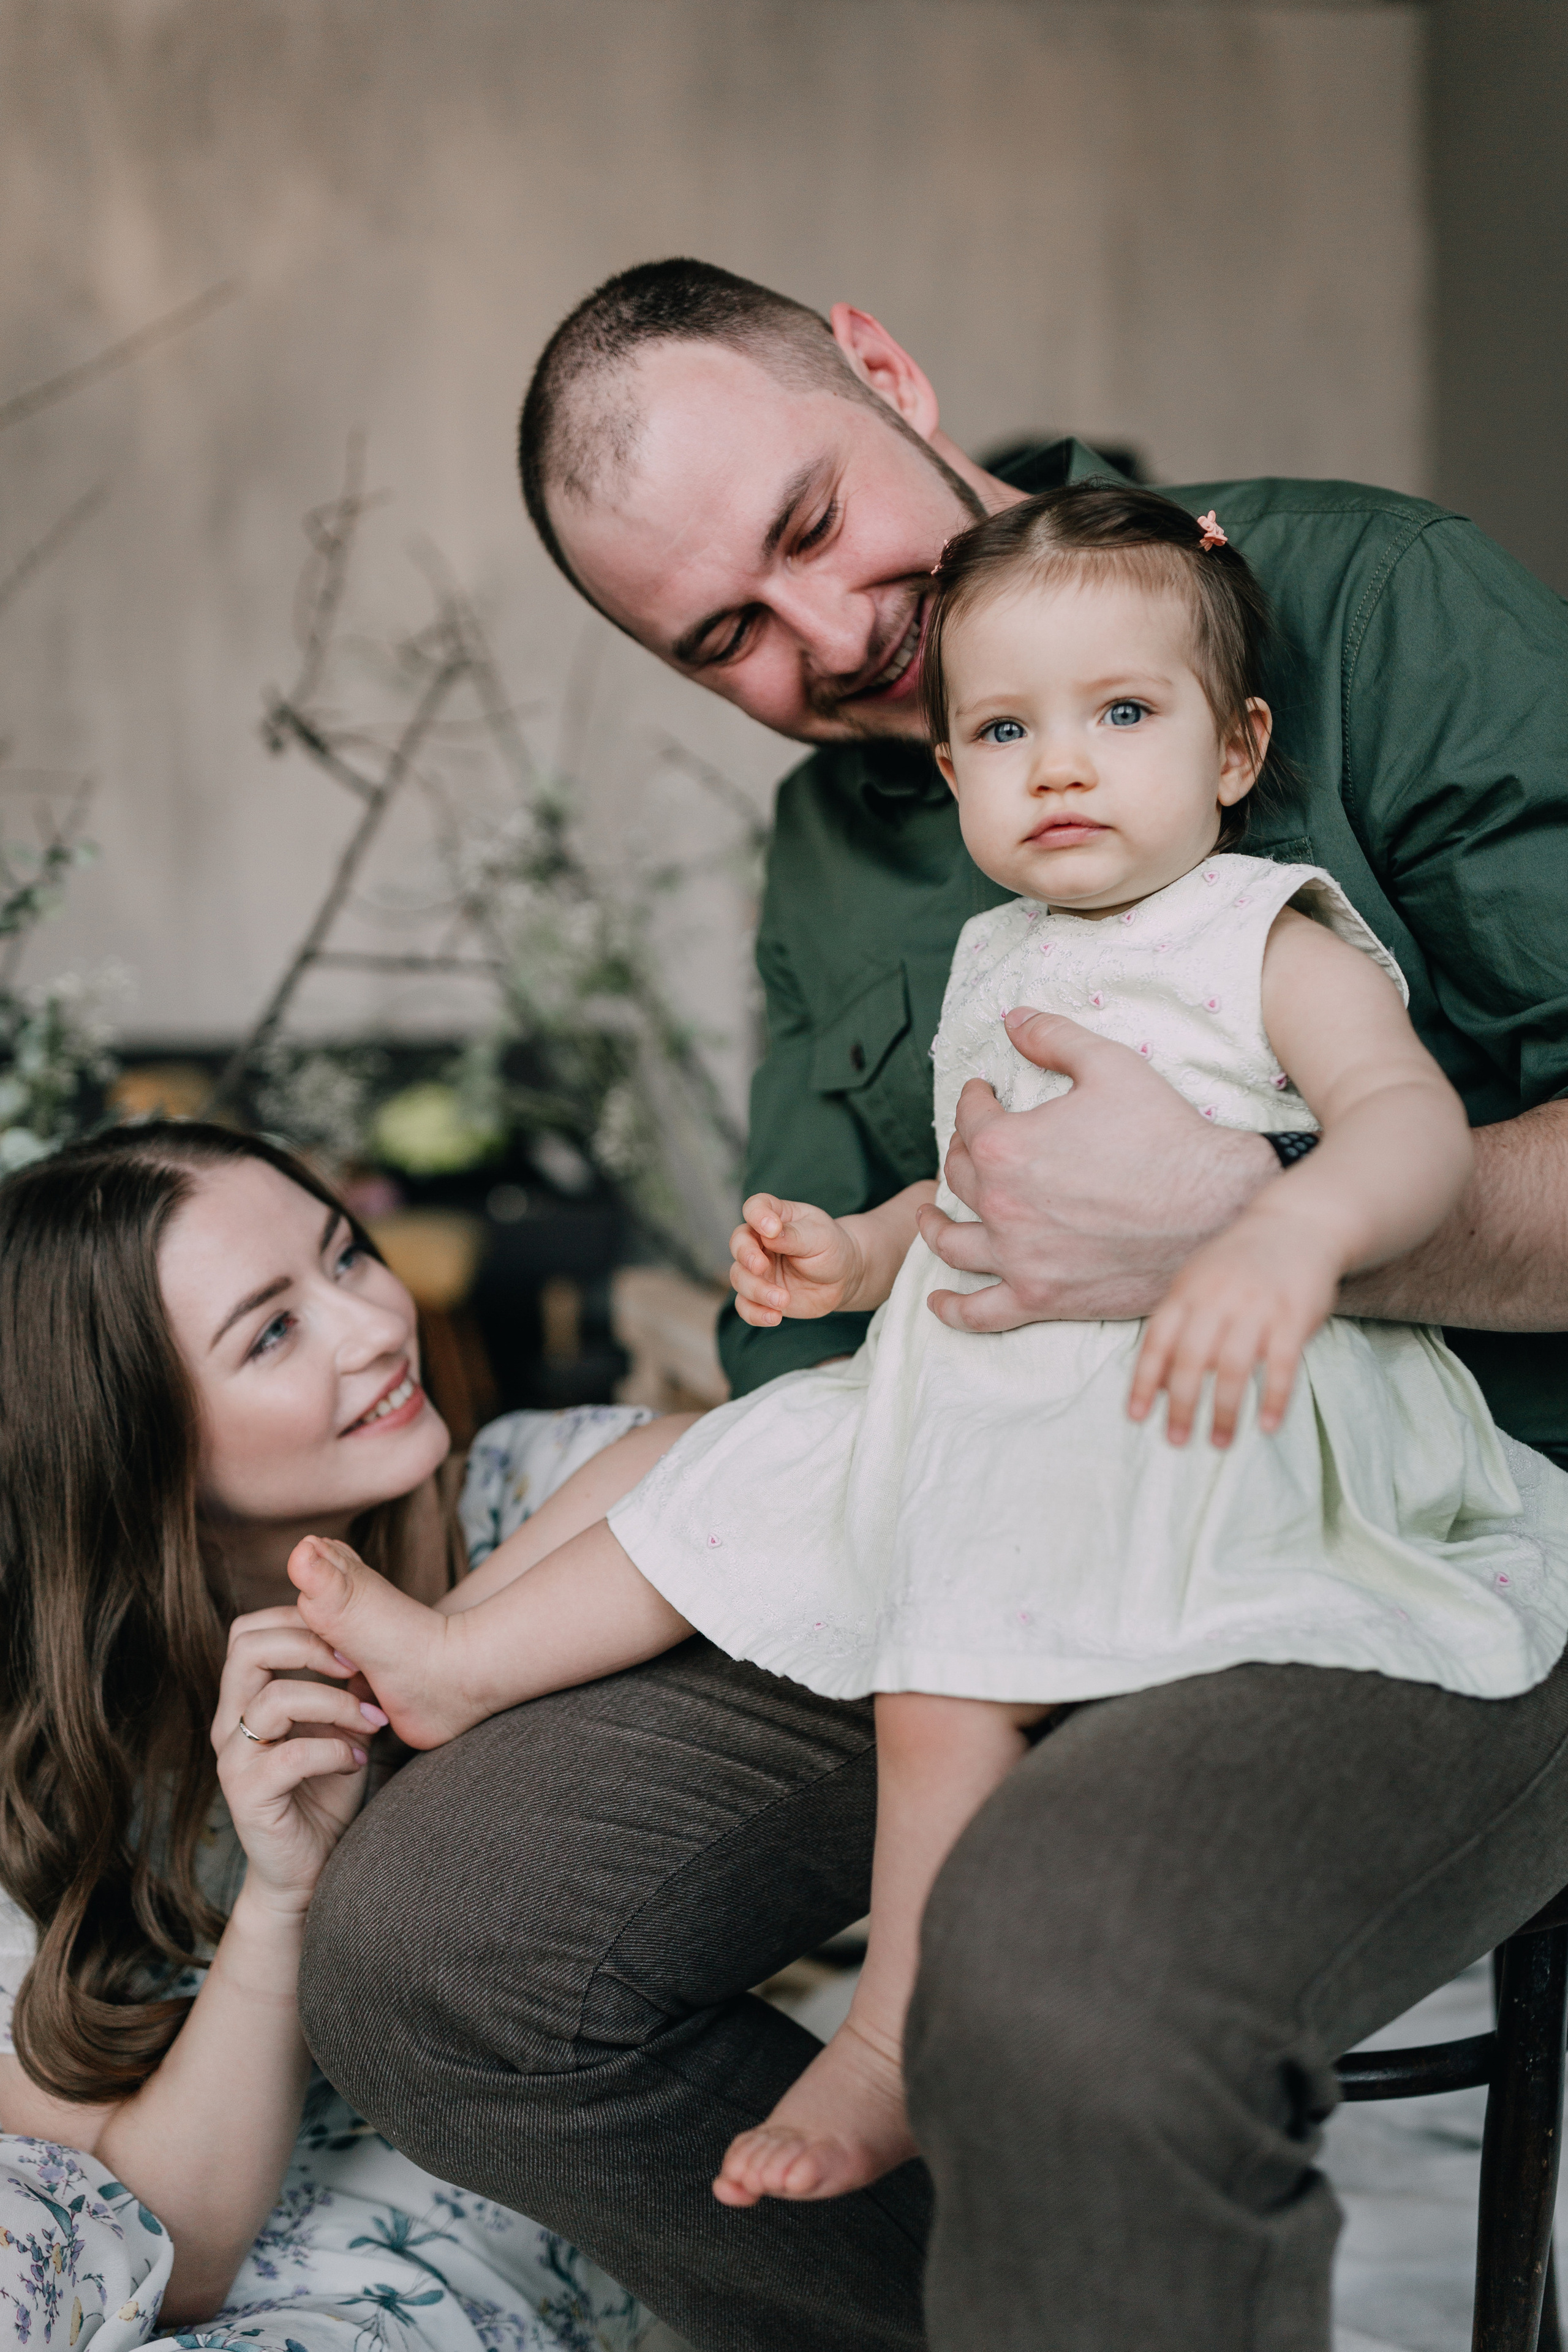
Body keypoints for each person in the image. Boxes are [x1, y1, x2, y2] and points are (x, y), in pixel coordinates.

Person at [297, 261, 1568, 2352]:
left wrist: (1249, 1223)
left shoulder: (1372, 604)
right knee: (434, 1948)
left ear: (885, 372)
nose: (825, 643)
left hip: (1404, 1520)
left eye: (807, 529)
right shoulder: (835, 848)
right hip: (979, 1504)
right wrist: (833, 1279)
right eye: (724, 636)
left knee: (1062, 1963)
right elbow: (826, 1348)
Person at [0, 1121, 677, 2352]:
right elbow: (163, 2254)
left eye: (346, 1256)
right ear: (135, 1449)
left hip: (454, 2252)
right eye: (272, 1330)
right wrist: (279, 1898)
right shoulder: (44, 1785)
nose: (376, 1324)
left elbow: (740, 1462)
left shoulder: (511, 1509)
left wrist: (439, 1650)